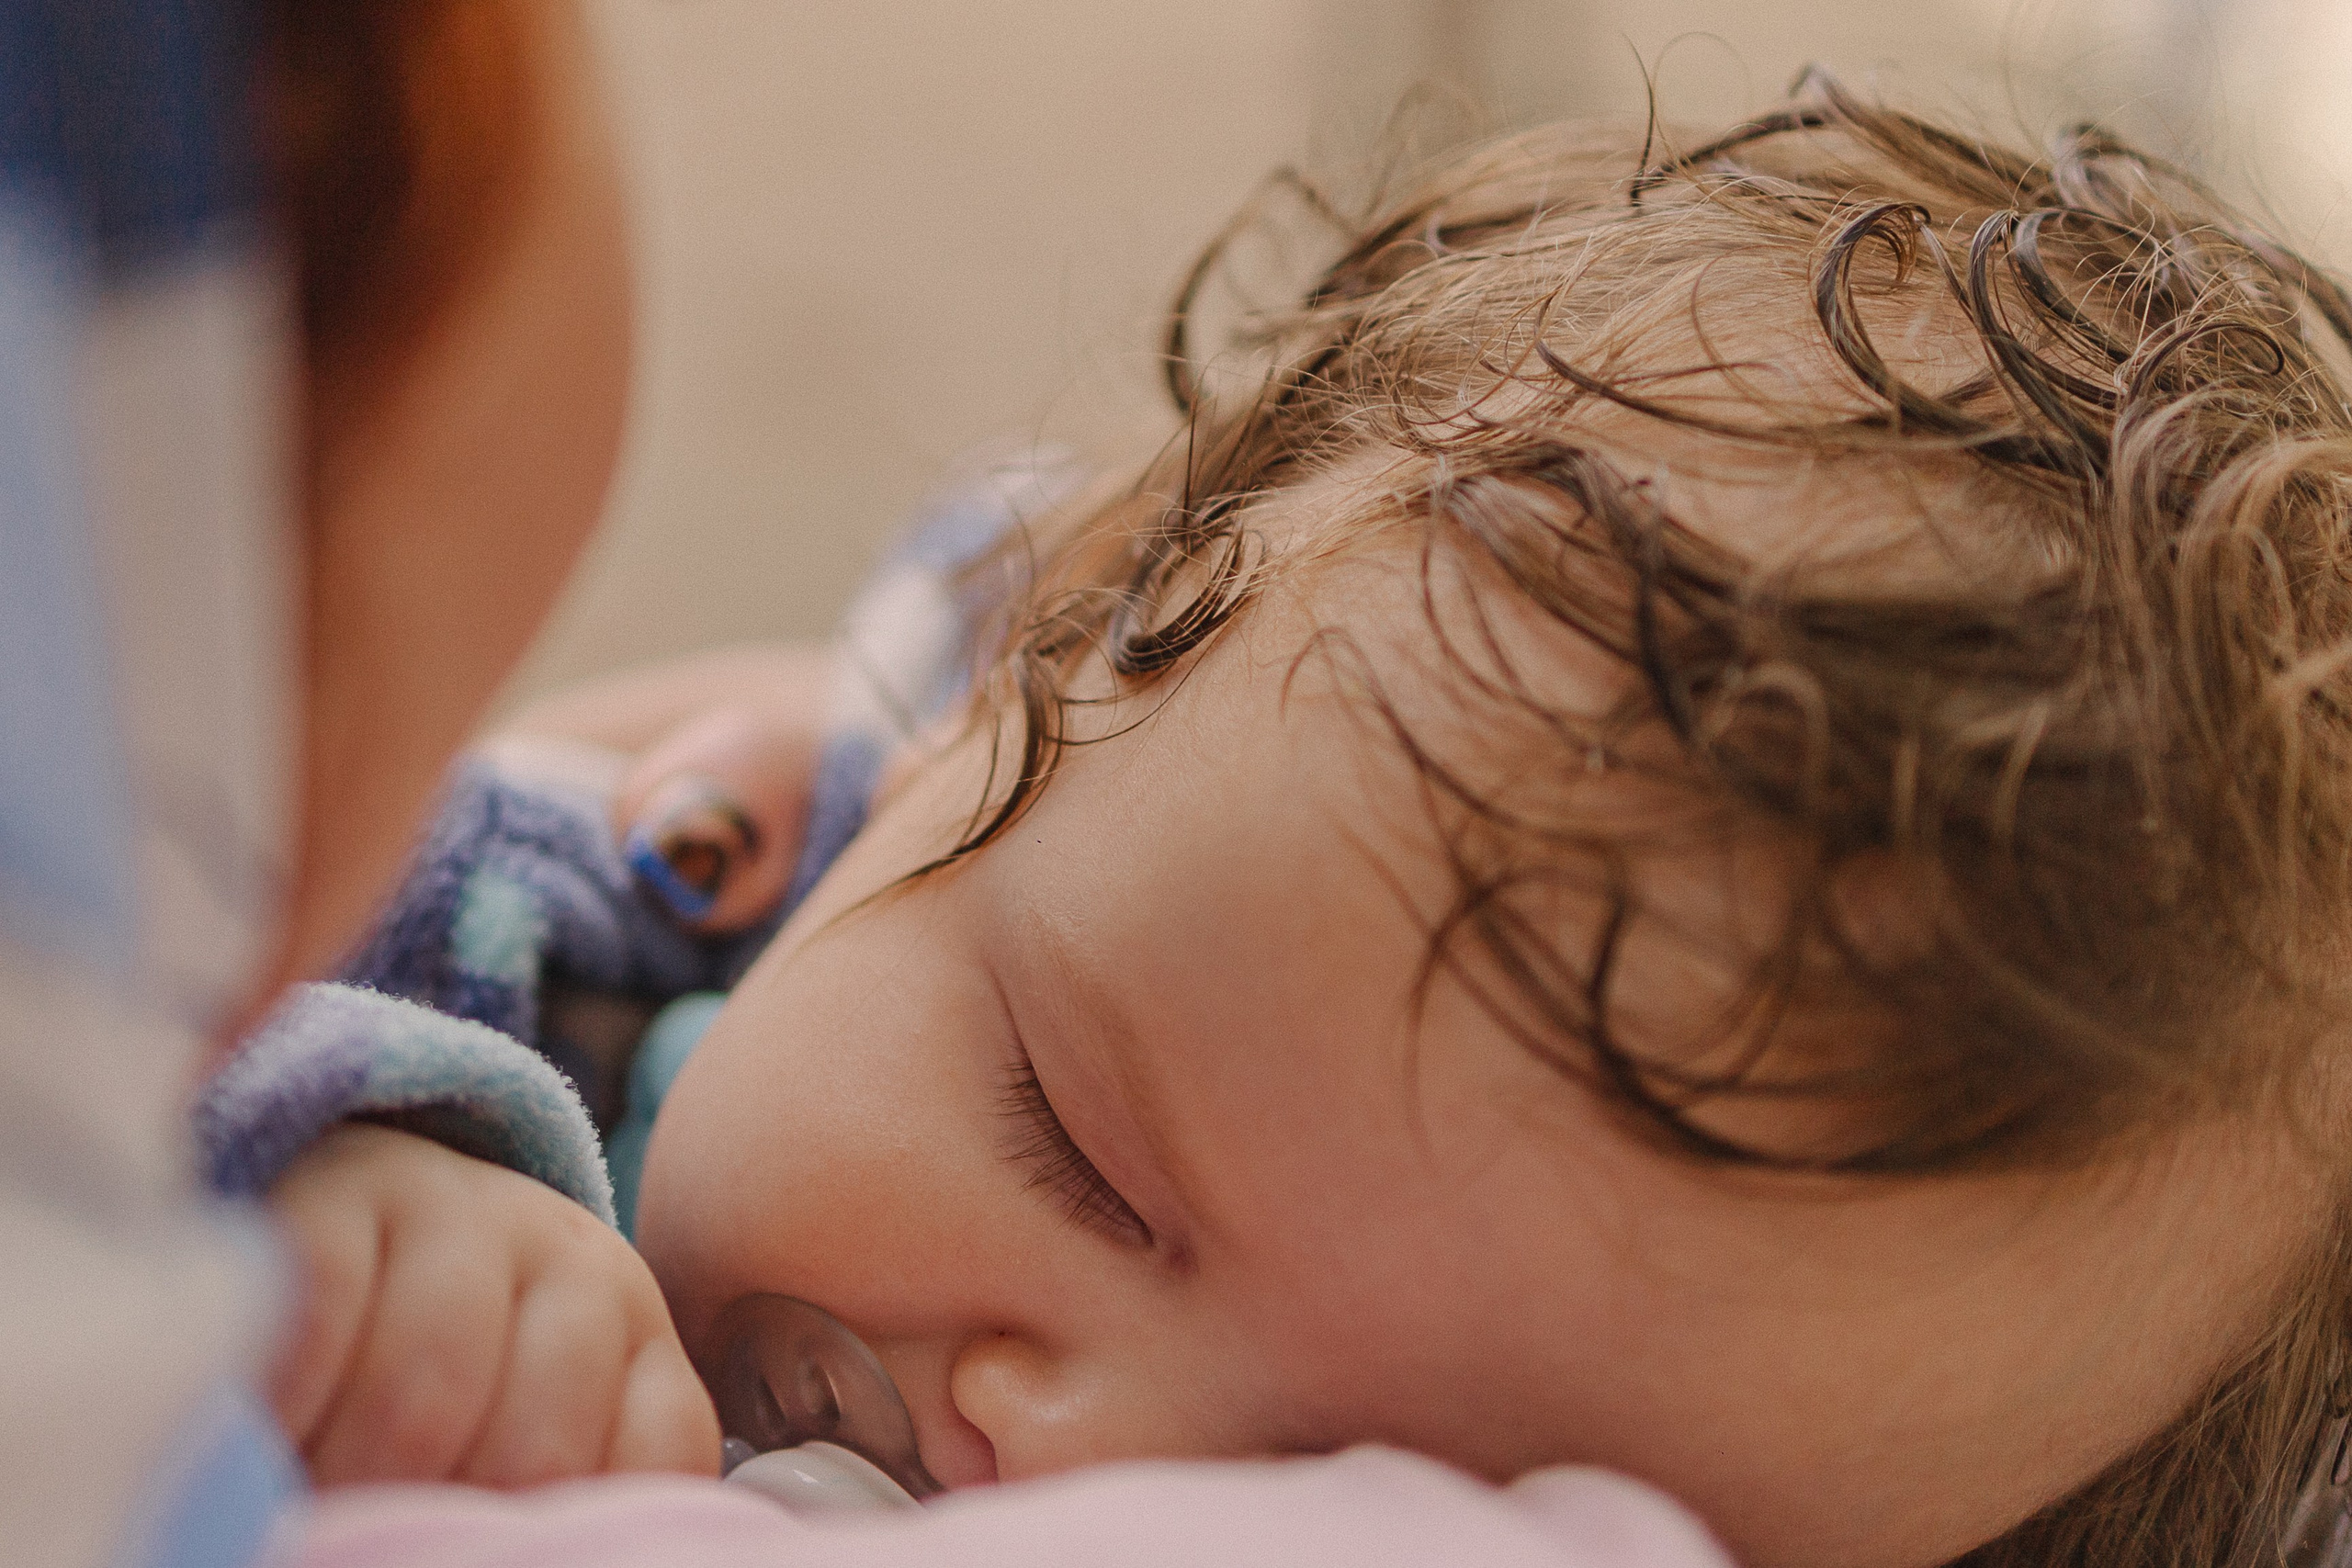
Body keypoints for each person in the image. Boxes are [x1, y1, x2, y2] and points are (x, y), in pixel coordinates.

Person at [212, 73, 2352, 1568]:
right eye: (1072, 1142)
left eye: (1391, 1493)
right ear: (1027, 654)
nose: (1059, 1448)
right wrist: (329, 1159)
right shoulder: (563, 931)